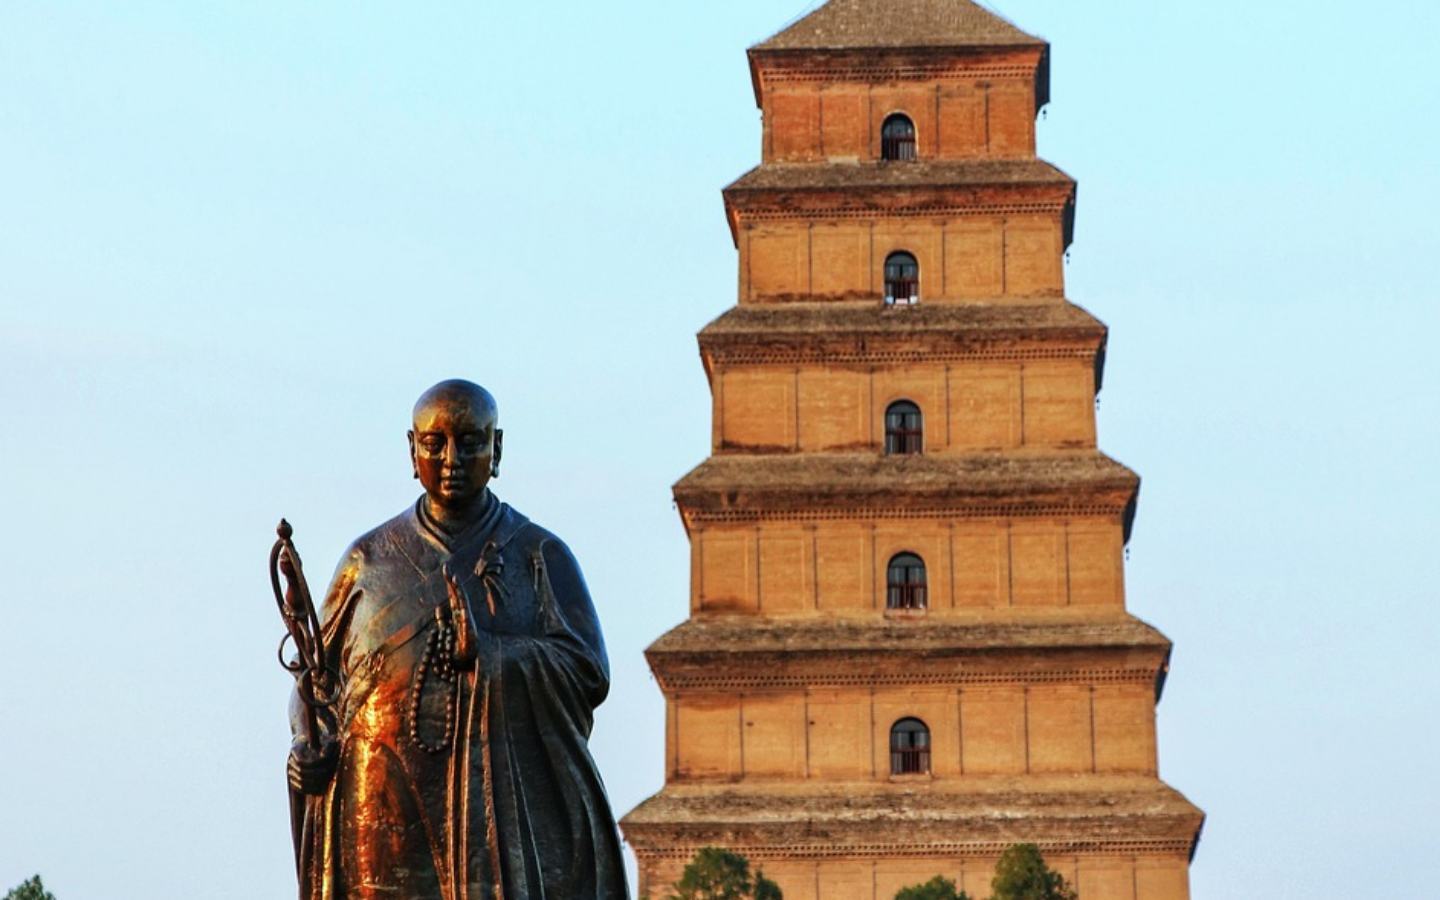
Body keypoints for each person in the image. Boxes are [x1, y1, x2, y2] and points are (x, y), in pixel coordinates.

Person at [286, 379, 628, 900]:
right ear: (412, 449)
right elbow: (316, 683)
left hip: (499, 808)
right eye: (435, 443)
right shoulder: (368, 561)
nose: (452, 459)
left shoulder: (537, 554)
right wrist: (306, 740)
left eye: (470, 442)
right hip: (382, 807)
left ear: (497, 449)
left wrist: (493, 654)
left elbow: (587, 672)